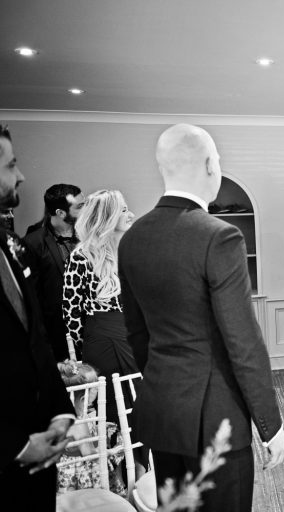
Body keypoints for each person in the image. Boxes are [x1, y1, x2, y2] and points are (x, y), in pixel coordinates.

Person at [118, 124, 284, 512]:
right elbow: (242, 341)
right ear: (211, 164)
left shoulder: (132, 238)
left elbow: (137, 334)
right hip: (216, 419)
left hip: (163, 412)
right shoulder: (219, 236)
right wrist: (270, 424)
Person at [0, 124, 75, 510]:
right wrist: (14, 445)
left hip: (40, 451)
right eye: (11, 164)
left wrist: (60, 412)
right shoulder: (32, 241)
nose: (22, 176)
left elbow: (35, 339)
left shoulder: (10, 245)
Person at [62, 190, 140, 425]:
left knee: (145, 402)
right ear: (108, 217)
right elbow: (71, 312)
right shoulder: (81, 256)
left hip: (136, 336)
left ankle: (144, 450)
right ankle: (121, 449)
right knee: (116, 408)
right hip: (103, 340)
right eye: (123, 210)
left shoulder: (130, 251)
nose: (131, 214)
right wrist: (85, 346)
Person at [24, 184, 85, 361]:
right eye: (80, 206)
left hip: (91, 327)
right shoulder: (33, 243)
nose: (86, 210)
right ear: (60, 213)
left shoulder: (88, 236)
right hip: (57, 333)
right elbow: (33, 296)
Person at [56, 361, 127, 496]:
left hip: (66, 471)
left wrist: (98, 428)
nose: (97, 389)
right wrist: (112, 451)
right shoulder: (79, 422)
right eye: (95, 386)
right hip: (82, 474)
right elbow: (90, 454)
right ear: (84, 397)